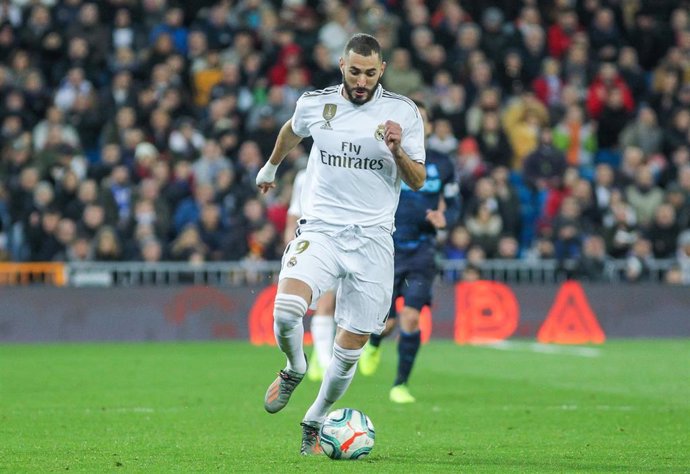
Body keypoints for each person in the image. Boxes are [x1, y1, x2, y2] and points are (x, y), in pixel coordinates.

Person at [256, 33, 426, 456]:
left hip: (373, 242)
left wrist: (397, 148)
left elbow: (418, 179)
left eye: (370, 72)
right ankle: (295, 366)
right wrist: (270, 166)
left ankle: (313, 421)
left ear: (382, 70)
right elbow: (290, 132)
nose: (362, 80)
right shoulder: (316, 103)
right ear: (341, 65)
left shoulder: (403, 114)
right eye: (354, 71)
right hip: (322, 229)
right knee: (285, 312)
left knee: (347, 353)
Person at [358, 103, 460, 403]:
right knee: (385, 322)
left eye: (423, 119)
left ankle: (400, 385)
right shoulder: (384, 155)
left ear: (427, 127)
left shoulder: (442, 164)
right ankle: (374, 342)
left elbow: (454, 203)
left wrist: (447, 219)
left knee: (411, 319)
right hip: (386, 249)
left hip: (422, 252)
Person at [284, 168, 336, 383]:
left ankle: (319, 357)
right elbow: (294, 214)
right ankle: (325, 361)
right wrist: (291, 247)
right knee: (325, 302)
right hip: (315, 244)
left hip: (346, 243)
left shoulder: (349, 169)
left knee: (335, 307)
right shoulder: (305, 176)